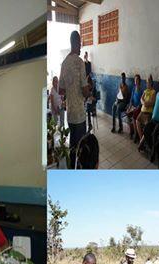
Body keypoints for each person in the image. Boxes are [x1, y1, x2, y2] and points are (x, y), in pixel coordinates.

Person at [59, 31, 90, 167]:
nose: (81, 46)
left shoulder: (64, 63)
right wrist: (88, 92)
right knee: (81, 146)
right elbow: (84, 90)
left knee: (72, 145)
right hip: (79, 115)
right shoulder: (80, 63)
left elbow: (61, 90)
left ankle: (71, 168)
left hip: (70, 114)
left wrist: (70, 87)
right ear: (76, 43)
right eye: (80, 43)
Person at [141, 75, 159, 159]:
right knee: (146, 130)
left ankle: (153, 153)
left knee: (154, 134)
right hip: (154, 119)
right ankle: (154, 149)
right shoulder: (158, 94)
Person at [135, 75, 156, 147]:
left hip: (149, 113)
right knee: (137, 121)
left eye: (149, 82)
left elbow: (151, 103)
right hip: (142, 111)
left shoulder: (153, 92)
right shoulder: (145, 91)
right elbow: (141, 99)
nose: (147, 84)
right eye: (147, 82)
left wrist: (144, 102)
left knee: (147, 127)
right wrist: (144, 103)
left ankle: (143, 142)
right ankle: (142, 140)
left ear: (151, 83)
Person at [126, 74, 143, 140]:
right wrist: (129, 108)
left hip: (138, 108)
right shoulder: (133, 88)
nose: (136, 81)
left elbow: (141, 103)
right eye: (135, 80)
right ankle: (131, 131)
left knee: (133, 117)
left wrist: (137, 107)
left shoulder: (141, 90)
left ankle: (136, 134)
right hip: (133, 107)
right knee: (127, 114)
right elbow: (131, 100)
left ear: (139, 81)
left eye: (137, 80)